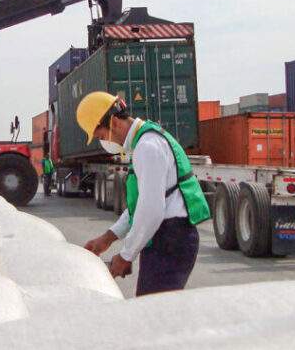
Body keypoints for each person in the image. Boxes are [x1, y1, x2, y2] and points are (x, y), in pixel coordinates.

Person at [78, 91, 210, 296]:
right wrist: (108, 238)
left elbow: (151, 211)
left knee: (155, 313)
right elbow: (141, 205)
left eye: (101, 136)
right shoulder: (144, 143)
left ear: (113, 122)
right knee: (153, 308)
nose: (103, 142)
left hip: (171, 239)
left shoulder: (148, 147)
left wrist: (126, 256)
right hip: (167, 236)